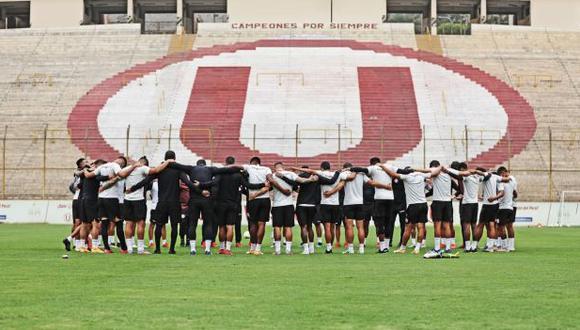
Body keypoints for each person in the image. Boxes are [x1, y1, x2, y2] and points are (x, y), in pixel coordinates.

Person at [127, 151, 197, 254]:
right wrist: (199, 190)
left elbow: (146, 181)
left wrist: (133, 188)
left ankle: (157, 249)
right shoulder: (178, 170)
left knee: (159, 225)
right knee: (174, 226)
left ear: (165, 158)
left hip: (162, 202)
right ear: (174, 158)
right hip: (174, 202)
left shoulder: (160, 169)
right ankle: (172, 249)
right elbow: (187, 183)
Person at [168, 159, 239, 255]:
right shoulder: (211, 169)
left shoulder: (191, 169)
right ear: (205, 165)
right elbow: (226, 170)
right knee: (208, 224)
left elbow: (177, 166)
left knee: (192, 224)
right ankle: (207, 249)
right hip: (207, 200)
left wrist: (169, 162)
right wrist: (239, 168)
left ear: (197, 164)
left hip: (194, 200)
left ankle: (193, 249)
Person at [120, 156, 171, 254]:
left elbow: (121, 174)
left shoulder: (127, 169)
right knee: (140, 224)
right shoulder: (142, 168)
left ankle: (129, 248)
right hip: (139, 199)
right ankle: (140, 249)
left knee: (128, 223)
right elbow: (156, 170)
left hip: (127, 199)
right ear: (143, 163)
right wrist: (167, 162)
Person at [379, 164, 428, 256]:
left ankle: (402, 248)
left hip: (412, 206)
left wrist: (383, 167)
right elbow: (432, 172)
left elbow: (393, 174)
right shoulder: (421, 176)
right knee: (421, 227)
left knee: (408, 227)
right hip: (423, 204)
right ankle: (417, 248)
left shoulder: (407, 177)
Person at [291, 162, 340, 254]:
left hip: (302, 204)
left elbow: (293, 185)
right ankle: (312, 248)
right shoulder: (317, 177)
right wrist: (337, 173)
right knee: (310, 226)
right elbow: (330, 181)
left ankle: (305, 249)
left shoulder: (301, 176)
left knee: (303, 227)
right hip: (313, 205)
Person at [350, 157, 397, 253]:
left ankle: (381, 244)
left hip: (375, 202)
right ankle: (374, 243)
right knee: (374, 223)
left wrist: (349, 169)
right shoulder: (366, 178)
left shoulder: (371, 176)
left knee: (378, 224)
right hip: (370, 203)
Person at [270, 162, 317, 255]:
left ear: (275, 168)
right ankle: (288, 250)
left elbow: (267, 186)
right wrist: (311, 179)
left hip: (277, 205)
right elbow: (302, 181)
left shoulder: (272, 175)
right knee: (288, 227)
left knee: (277, 227)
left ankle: (277, 250)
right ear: (283, 167)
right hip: (288, 204)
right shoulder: (291, 174)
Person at [472, 167, 511, 252]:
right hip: (494, 205)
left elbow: (502, 192)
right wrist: (494, 198)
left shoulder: (487, 176)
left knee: (481, 224)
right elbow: (503, 190)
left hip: (488, 204)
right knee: (491, 225)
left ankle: (474, 246)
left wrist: (493, 198)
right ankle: (490, 246)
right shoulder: (497, 178)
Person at [77, 159, 106, 253]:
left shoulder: (85, 173)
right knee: (95, 223)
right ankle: (94, 246)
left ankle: (82, 246)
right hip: (92, 200)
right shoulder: (96, 173)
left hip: (83, 199)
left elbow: (79, 184)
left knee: (84, 224)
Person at [62, 158, 88, 252]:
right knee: (82, 222)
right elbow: (74, 186)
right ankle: (78, 244)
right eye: (85, 162)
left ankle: (75, 243)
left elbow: (72, 186)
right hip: (80, 199)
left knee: (78, 222)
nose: (87, 163)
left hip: (78, 199)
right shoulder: (82, 173)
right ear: (80, 165)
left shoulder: (80, 173)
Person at [493, 167, 517, 252]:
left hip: (503, 208)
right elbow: (515, 194)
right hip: (511, 207)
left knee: (500, 227)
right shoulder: (512, 181)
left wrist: (494, 198)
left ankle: (504, 246)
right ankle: (511, 246)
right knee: (510, 226)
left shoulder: (501, 183)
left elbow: (501, 194)